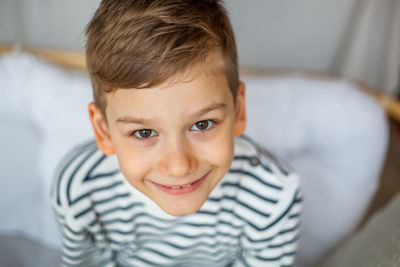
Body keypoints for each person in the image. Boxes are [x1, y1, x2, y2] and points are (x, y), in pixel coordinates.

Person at [51, 0, 302, 266]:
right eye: (144, 132)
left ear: (238, 111)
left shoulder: (274, 194)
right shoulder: (80, 189)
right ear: (104, 132)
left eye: (202, 124)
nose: (179, 166)